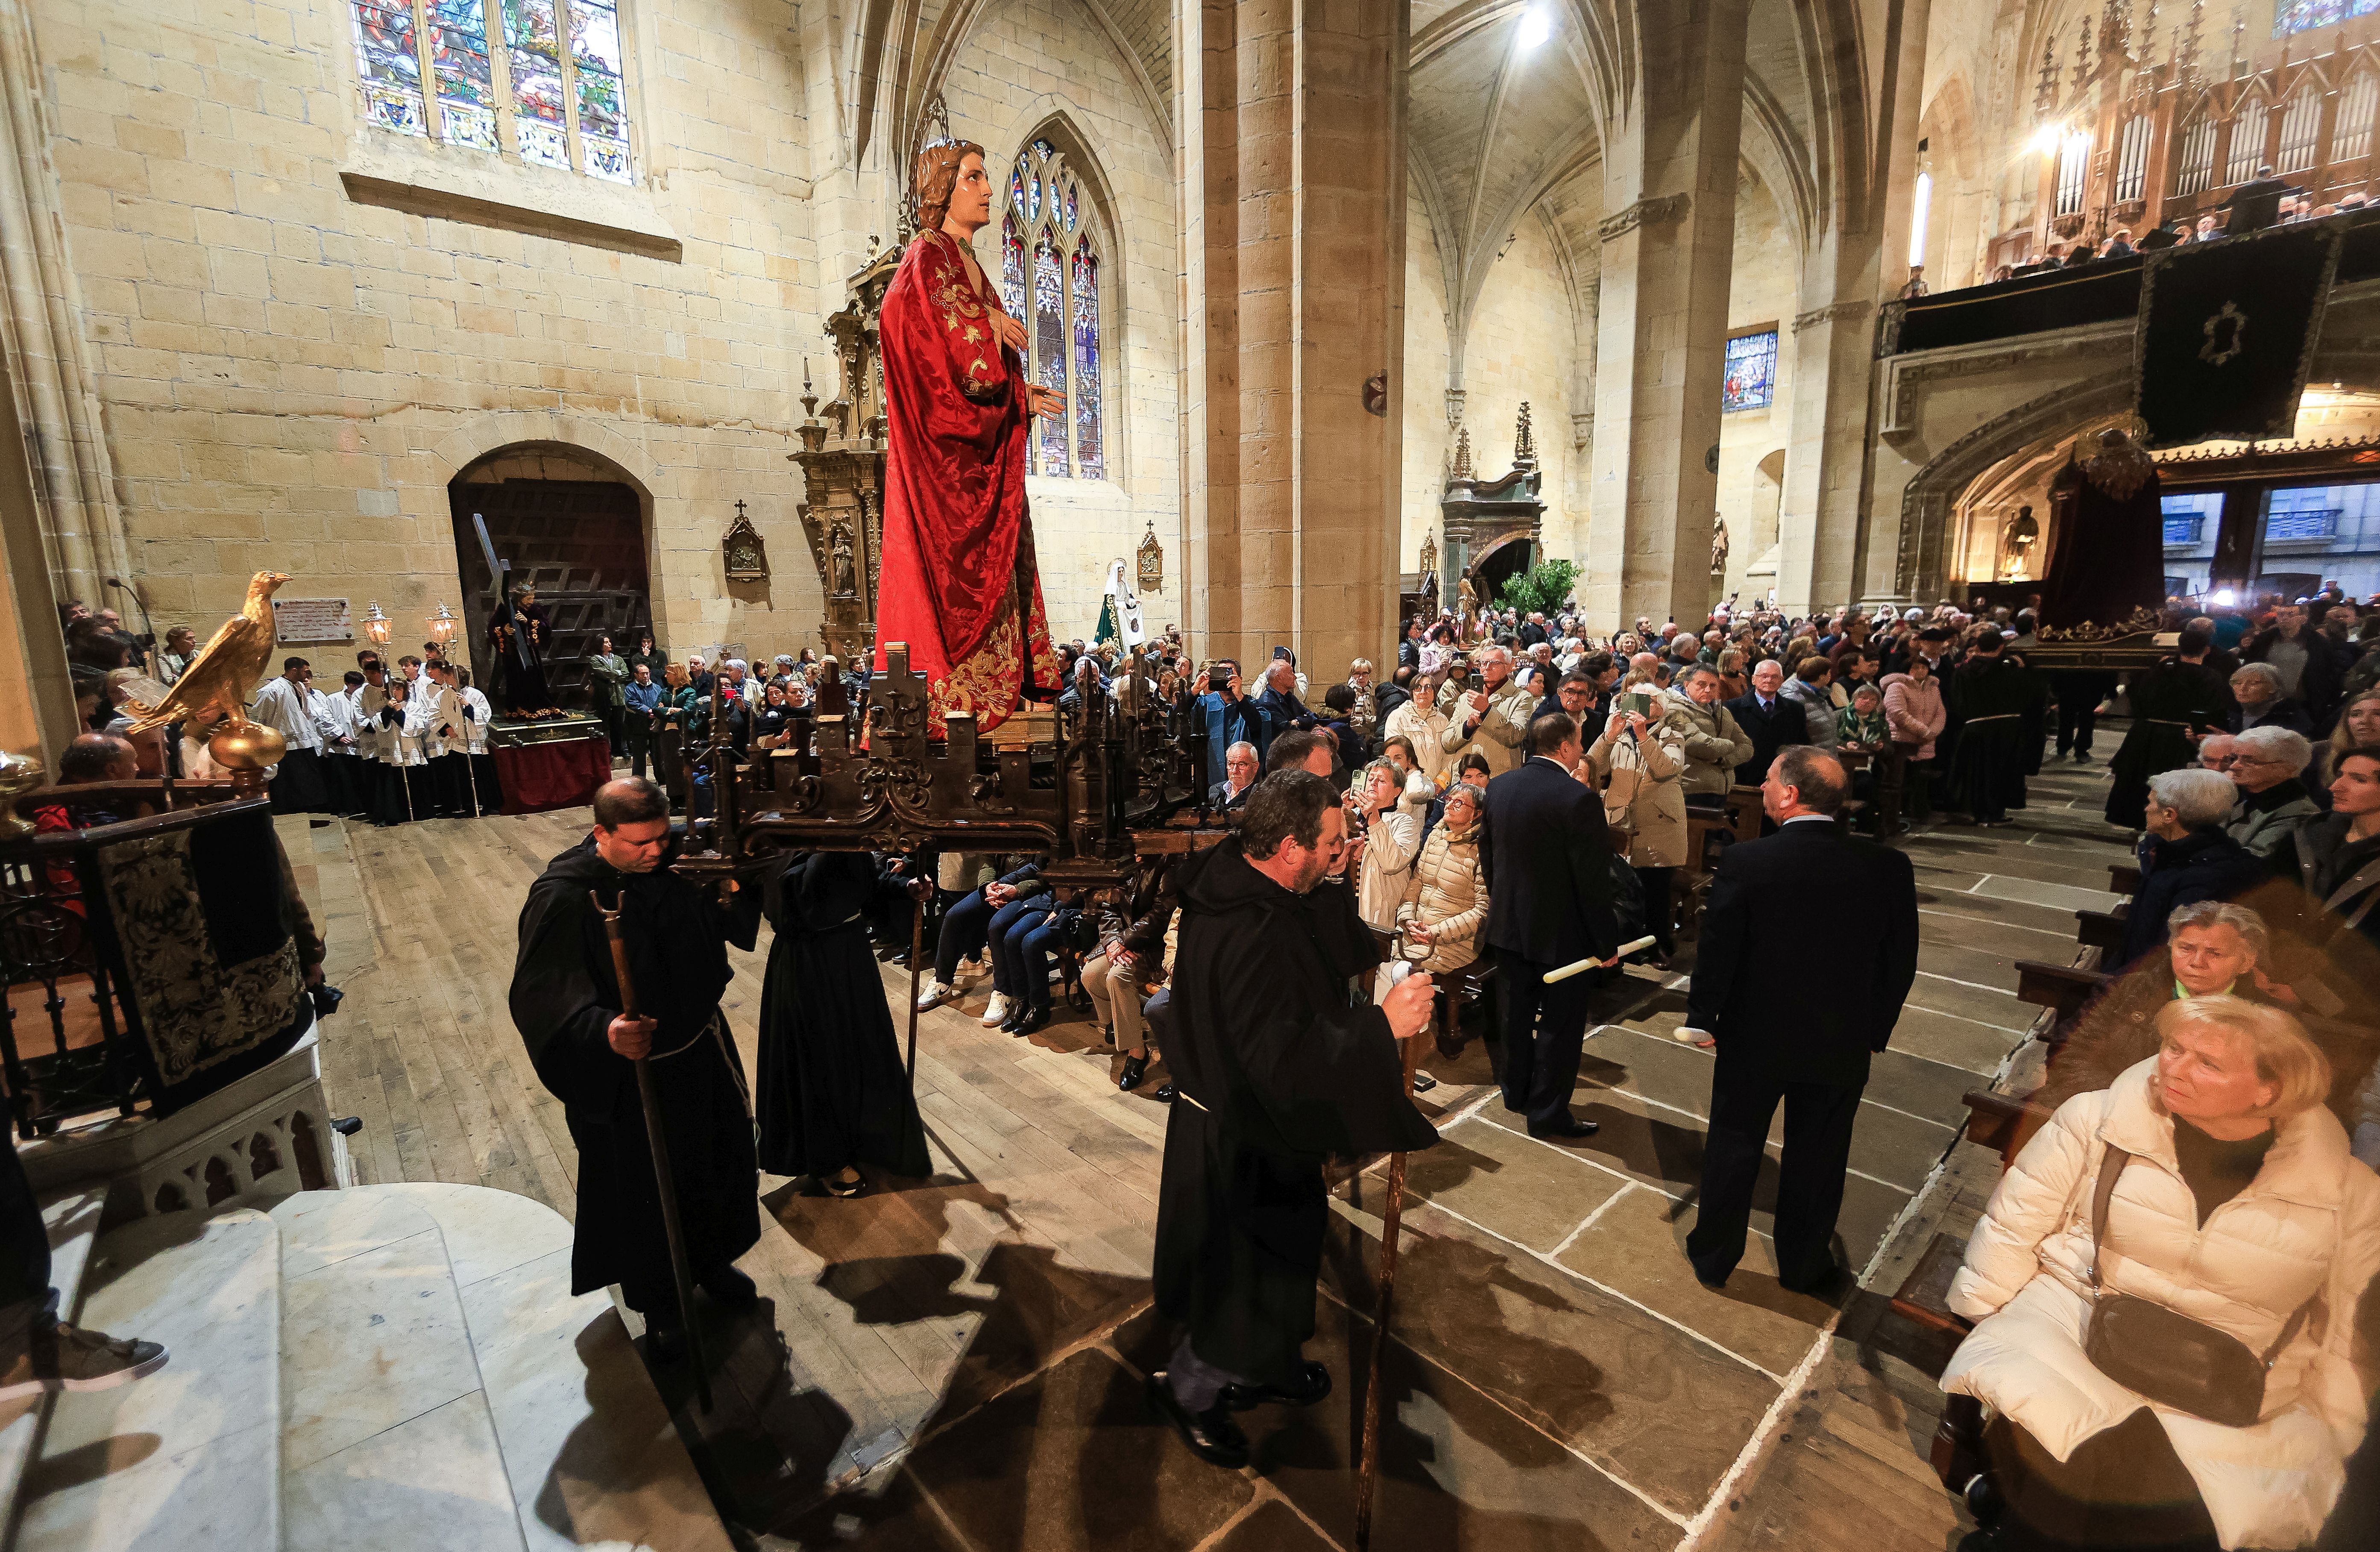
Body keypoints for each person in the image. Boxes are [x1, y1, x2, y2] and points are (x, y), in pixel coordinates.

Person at [1941, 998, 2380, 1552]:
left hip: (2239, 1372)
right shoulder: (2098, 1119)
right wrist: (1981, 1315)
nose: (2174, 1066)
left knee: (2183, 1497)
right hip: (2077, 1314)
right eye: (2174, 1048)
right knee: (2078, 1447)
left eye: (2208, 1062)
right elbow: (2017, 1220)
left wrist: (2342, 1429)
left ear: (2269, 1090)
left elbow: (2347, 1331)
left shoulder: (2349, 1193)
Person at [1148, 770, 1440, 1470]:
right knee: (1238, 1280)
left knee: (1284, 1257)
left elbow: (1324, 949)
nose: (1346, 849)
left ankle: (1268, 1364)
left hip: (1271, 1127)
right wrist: (1379, 1028)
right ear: (1287, 846)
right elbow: (1273, 1057)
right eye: (1335, 842)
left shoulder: (1258, 881)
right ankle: (1193, 1392)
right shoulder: (1244, 930)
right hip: (1236, 1134)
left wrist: (1357, 905)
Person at [508, 778, 761, 1352]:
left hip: (698, 1047)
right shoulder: (568, 893)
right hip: (633, 1075)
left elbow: (722, 924)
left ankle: (712, 1264)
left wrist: (736, 885)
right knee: (648, 1191)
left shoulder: (676, 862)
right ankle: (661, 1305)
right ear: (602, 833)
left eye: (662, 837)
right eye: (641, 842)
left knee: (716, 1162)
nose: (656, 852)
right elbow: (540, 992)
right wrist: (604, 1030)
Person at [1680, 747, 1919, 1292]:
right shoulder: (1886, 866)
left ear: (1789, 795)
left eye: (1767, 781)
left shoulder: (1747, 862)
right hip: (1839, 1041)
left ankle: (1715, 1254)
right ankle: (1804, 1262)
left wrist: (1702, 1017)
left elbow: (1718, 952)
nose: (1761, 788)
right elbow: (1899, 959)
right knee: (1820, 1155)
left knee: (1734, 1146)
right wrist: (1875, 1029)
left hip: (1754, 1037)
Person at [871, 139, 1061, 734]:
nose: (987, 189)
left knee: (1007, 553)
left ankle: (1012, 686)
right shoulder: (927, 258)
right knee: (963, 578)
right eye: (974, 178)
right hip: (947, 469)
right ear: (943, 189)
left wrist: (1019, 399)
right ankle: (961, 697)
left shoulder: (966, 264)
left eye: (984, 178)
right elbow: (918, 339)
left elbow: (986, 381)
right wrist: (987, 328)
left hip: (987, 453)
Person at [752, 851, 930, 1198]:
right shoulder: (789, 833)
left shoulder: (848, 833)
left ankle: (867, 1140)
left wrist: (904, 886)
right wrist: (830, 849)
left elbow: (864, 882)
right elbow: (798, 899)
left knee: (862, 1048)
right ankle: (827, 1158)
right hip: (807, 959)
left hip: (849, 952)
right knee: (819, 1057)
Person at [1478, 713, 1618, 1139]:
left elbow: (1489, 857)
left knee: (1514, 1016)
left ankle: (1515, 1091)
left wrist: (1505, 902)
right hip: (1561, 935)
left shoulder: (1500, 787)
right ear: (1563, 747)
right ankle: (1548, 1112)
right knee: (1559, 1026)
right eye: (1578, 743)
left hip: (1507, 924)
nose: (1580, 750)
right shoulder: (1577, 799)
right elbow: (1592, 880)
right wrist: (1606, 942)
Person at [2034, 902, 2287, 1114]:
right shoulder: (2131, 990)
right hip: (2100, 1110)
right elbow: (2069, 1054)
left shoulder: (2266, 1020)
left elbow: (2260, 1099)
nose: (2197, 963)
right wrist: (2133, 1103)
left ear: (2246, 962)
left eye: (2215, 954)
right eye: (2186, 949)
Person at [2119, 768, 2268, 968]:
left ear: (2169, 815)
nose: (2146, 809)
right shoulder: (2168, 853)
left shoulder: (2206, 878)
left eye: (2151, 802)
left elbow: (2174, 952)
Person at [1586, 695, 1689, 960]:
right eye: (1635, 699)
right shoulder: (1619, 732)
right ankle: (1627, 947)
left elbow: (1667, 769)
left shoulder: (1672, 733)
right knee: (1623, 889)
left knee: (1656, 889)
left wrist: (1644, 736)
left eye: (1649, 700)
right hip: (1621, 822)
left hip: (1659, 823)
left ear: (1662, 707)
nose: (1640, 705)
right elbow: (1590, 768)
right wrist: (1609, 736)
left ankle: (1658, 946)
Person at [2107, 625, 2232, 831]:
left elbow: (2136, 696)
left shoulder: (2158, 671)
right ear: (2207, 650)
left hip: (2145, 734)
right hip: (2182, 738)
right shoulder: (2211, 677)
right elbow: (2216, 710)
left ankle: (2141, 822)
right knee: (2171, 785)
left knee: (2139, 779)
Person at [1944, 626, 2032, 827]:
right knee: (2000, 772)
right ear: (2002, 647)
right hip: (2005, 728)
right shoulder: (2008, 670)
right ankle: (1994, 814)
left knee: (1975, 773)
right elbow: (2027, 697)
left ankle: (1975, 812)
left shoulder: (1963, 670)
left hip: (1974, 727)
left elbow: (1956, 702)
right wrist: (2021, 672)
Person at [2240, 601, 2346, 728]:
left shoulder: (2318, 643)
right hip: (2264, 703)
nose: (2285, 618)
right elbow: (2250, 667)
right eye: (2281, 614)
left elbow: (2328, 673)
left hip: (2301, 705)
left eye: (2290, 614)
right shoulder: (2264, 640)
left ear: (2303, 618)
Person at [2222, 726, 2319, 861]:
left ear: (2287, 768)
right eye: (2234, 758)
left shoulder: (2300, 813)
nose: (2234, 766)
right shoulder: (2239, 797)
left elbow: (2252, 863)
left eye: (2249, 761)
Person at [249, 656, 331, 813]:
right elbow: (259, 718)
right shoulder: (272, 690)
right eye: (305, 671)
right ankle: (290, 809)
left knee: (307, 779)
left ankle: (311, 809)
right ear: (294, 670)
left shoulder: (299, 687)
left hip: (305, 741)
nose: (308, 675)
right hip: (284, 743)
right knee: (290, 780)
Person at [1351, 759, 1422, 934]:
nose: (1373, 783)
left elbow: (1392, 864)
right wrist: (1341, 814)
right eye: (1370, 778)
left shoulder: (1405, 822)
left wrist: (1374, 820)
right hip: (1345, 905)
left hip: (1378, 911)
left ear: (1397, 791)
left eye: (1381, 781)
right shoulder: (1351, 815)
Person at [1724, 658, 1807, 785]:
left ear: (1782, 681)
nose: (1769, 680)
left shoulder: (1796, 710)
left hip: (1781, 780)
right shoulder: (1732, 708)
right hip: (1743, 779)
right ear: (1753, 680)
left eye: (1775, 677)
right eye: (1764, 676)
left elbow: (1802, 746)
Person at [1193, 660, 1263, 784]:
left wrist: (1239, 696)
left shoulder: (1249, 703)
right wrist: (1194, 690)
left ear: (1240, 679)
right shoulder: (1204, 703)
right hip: (1211, 775)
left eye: (1229, 674)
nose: (1225, 679)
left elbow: (1257, 726)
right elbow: (1179, 716)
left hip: (1243, 778)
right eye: (1220, 674)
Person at [1383, 670, 1451, 786]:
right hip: (1408, 786)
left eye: (1428, 687)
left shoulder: (1443, 720)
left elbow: (1449, 753)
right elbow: (1394, 756)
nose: (1423, 692)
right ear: (1412, 693)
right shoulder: (1398, 717)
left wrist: (1441, 783)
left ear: (1435, 693)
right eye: (1418, 688)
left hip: (1437, 787)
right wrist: (1414, 782)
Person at [586, 634, 631, 760]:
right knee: (606, 724)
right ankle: (609, 750)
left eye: (609, 642)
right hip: (605, 696)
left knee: (621, 724)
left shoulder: (618, 659)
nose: (609, 644)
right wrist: (616, 674)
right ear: (600, 645)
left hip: (619, 696)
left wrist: (614, 676)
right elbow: (602, 672)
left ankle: (623, 748)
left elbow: (626, 674)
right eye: (606, 642)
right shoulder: (596, 659)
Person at [622, 661, 663, 780]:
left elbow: (661, 701)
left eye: (647, 673)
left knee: (658, 755)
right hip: (638, 726)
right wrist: (648, 711)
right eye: (643, 674)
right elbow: (631, 703)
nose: (646, 676)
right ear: (636, 675)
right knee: (639, 755)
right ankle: (639, 781)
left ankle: (661, 780)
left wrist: (656, 711)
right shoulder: (631, 688)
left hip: (655, 725)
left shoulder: (657, 688)